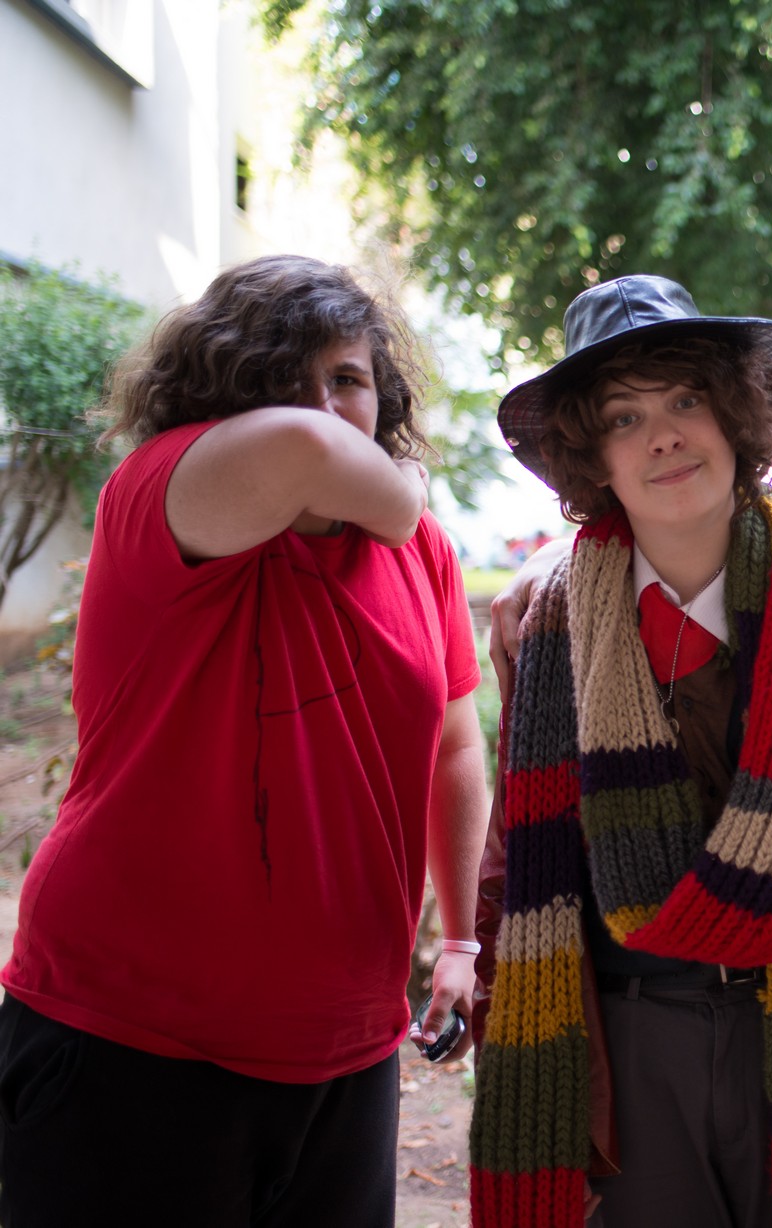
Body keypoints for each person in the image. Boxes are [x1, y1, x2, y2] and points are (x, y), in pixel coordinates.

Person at [0, 254, 487, 1226]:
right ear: (214, 398)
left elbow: (454, 748)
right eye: (277, 379)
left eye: (347, 378)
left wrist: (462, 939)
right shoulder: (161, 492)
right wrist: (402, 488)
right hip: (129, 1040)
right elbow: (305, 452)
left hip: (345, 1049)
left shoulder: (420, 553)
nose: (322, 407)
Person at [467, 275, 772, 1228]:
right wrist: (559, 1111)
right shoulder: (550, 630)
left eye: (686, 399)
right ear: (591, 456)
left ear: (735, 416)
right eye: (625, 417)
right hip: (629, 1050)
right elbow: (512, 877)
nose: (663, 436)